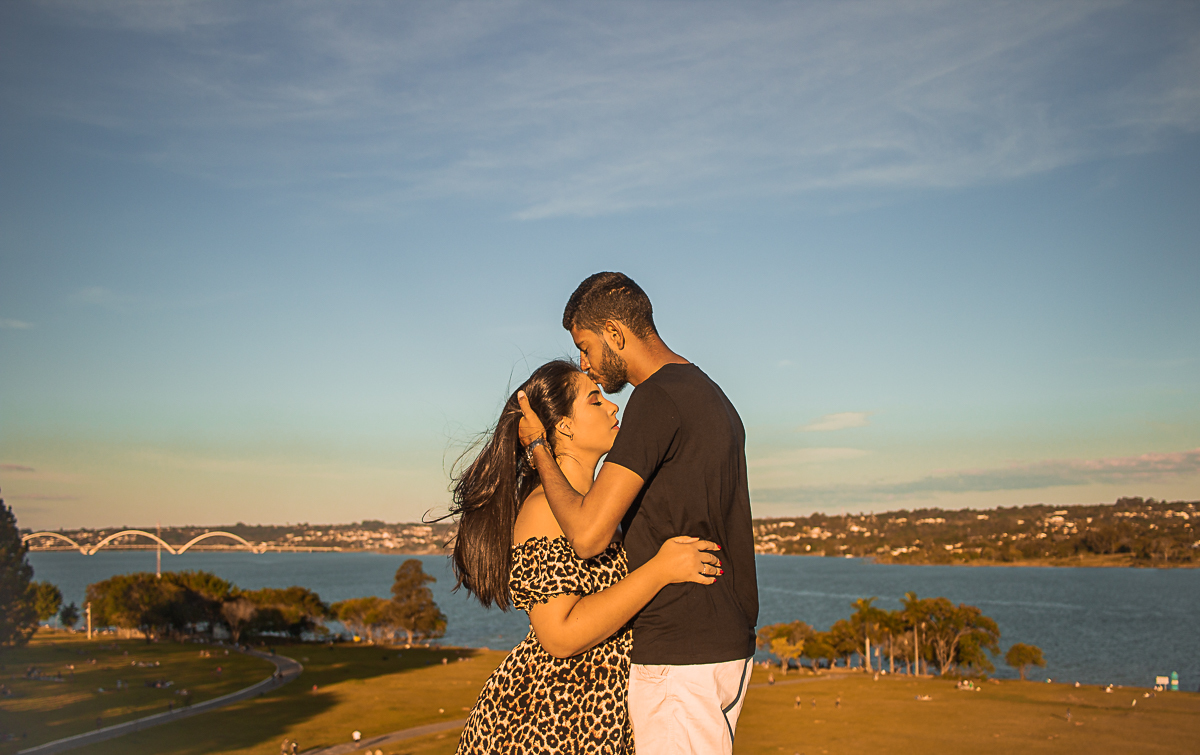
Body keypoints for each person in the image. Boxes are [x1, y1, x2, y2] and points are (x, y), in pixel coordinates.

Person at [518, 272, 759, 754]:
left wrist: (538, 448)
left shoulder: (654, 399)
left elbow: (587, 535)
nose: (586, 364)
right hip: (723, 645)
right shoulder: (710, 394)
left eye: (585, 347)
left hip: (680, 658)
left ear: (614, 333)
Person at [451, 360, 722, 754]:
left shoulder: (597, 512)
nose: (613, 407)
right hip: (549, 721)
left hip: (595, 719)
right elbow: (559, 636)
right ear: (565, 426)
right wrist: (660, 570)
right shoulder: (543, 510)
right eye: (595, 400)